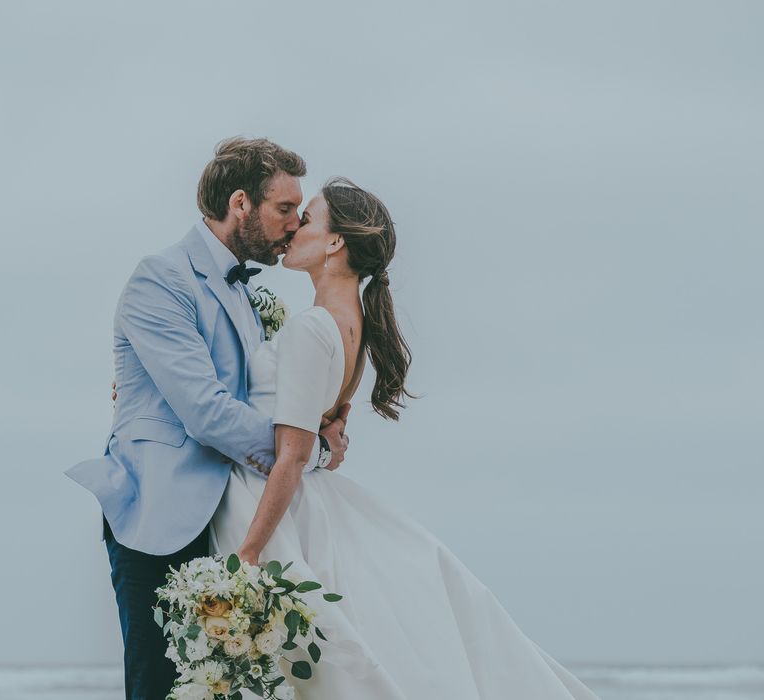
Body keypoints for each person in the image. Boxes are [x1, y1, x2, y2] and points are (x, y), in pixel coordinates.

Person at [208, 176, 601, 699]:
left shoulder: (312, 328)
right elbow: (323, 431)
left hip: (270, 507)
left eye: (307, 219)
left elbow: (293, 454)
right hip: (309, 503)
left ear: (334, 242)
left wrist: (248, 556)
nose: (292, 228)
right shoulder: (355, 327)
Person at [65, 138, 350, 700]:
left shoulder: (246, 290)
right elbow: (206, 412)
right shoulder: (161, 279)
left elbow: (254, 397)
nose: (294, 225)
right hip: (160, 515)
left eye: (299, 212)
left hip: (230, 515)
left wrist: (317, 417)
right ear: (240, 204)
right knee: (157, 688)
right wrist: (306, 450)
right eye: (285, 209)